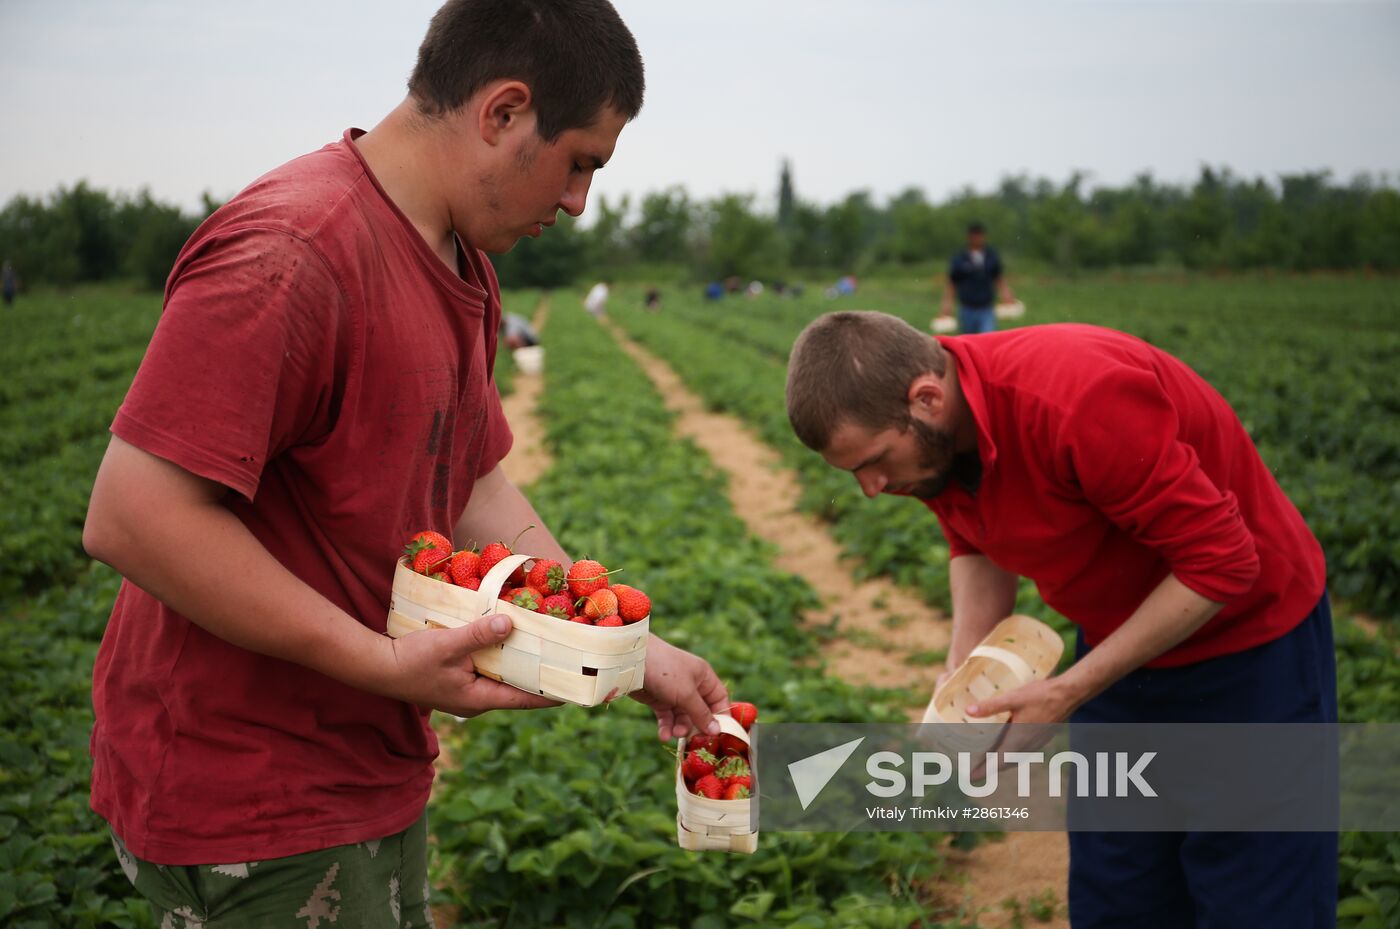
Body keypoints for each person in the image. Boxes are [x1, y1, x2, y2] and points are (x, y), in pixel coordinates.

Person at [82, 2, 728, 926]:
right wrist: (383, 662)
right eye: (579, 160)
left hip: (361, 755)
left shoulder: (461, 257)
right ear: (503, 112)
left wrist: (619, 647)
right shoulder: (291, 253)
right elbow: (134, 513)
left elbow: (472, 481)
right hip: (253, 785)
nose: (580, 201)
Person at [785, 311, 1335, 929]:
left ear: (927, 398)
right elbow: (978, 543)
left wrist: (1069, 690)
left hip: (1251, 652)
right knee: (1121, 894)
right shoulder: (937, 440)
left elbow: (1222, 563)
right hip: (1119, 648)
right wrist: (962, 679)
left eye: (876, 461)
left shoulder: (1077, 398)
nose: (870, 487)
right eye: (854, 472)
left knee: (1256, 895)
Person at [936, 222, 1014, 334]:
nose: (978, 238)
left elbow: (999, 278)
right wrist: (947, 305)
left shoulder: (991, 256)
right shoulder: (960, 259)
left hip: (986, 307)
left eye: (980, 235)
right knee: (969, 340)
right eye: (975, 235)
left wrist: (1006, 295)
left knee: (987, 337)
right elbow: (952, 284)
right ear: (969, 237)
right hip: (967, 308)